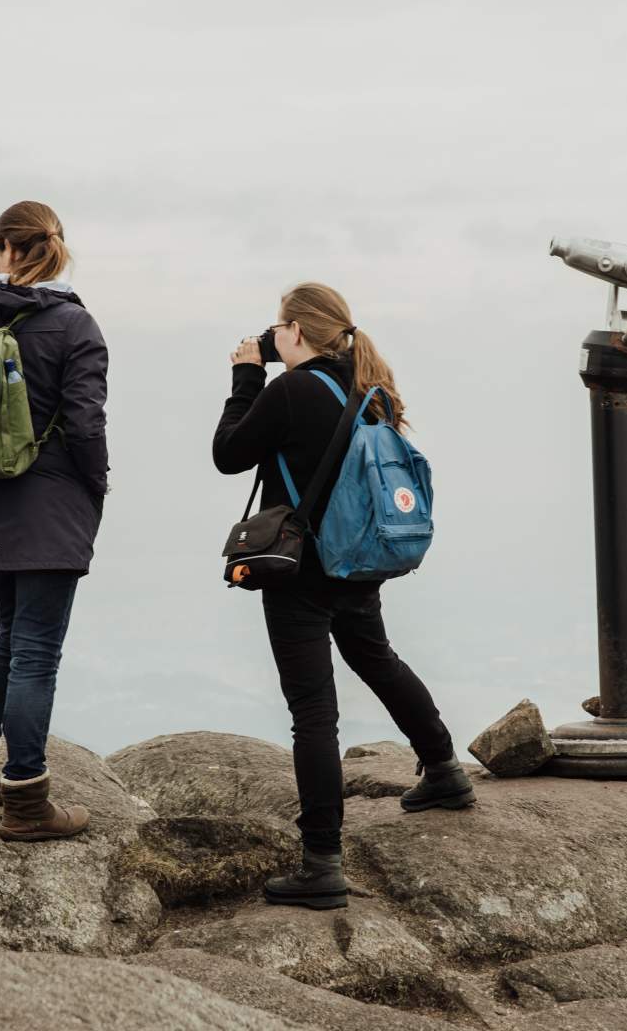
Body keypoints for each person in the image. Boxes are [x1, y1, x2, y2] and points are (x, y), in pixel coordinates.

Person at [212, 282, 473, 909]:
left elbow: (228, 454)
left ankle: (321, 863)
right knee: (378, 660)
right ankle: (443, 769)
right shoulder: (368, 390)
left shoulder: (290, 390)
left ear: (297, 332)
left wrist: (246, 377)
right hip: (358, 563)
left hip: (301, 572)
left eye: (279, 327)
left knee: (313, 712)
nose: (273, 336)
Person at [0, 201, 108, 843]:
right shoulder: (74, 325)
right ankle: (27, 800)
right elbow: (86, 422)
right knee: (36, 647)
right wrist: (95, 486)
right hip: (49, 503)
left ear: (6, 249)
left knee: (13, 632)